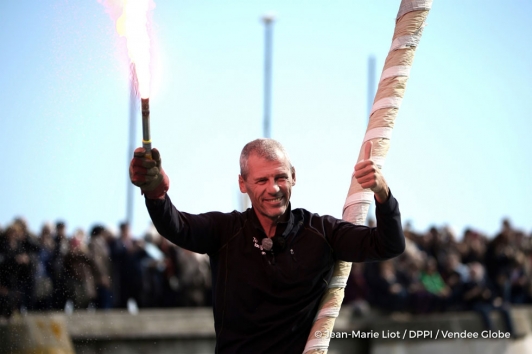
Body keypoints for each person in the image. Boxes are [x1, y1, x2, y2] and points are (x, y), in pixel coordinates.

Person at [129, 138, 405, 353]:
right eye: (261, 180)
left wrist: (383, 194)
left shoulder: (321, 232)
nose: (273, 188)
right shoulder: (225, 231)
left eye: (280, 177)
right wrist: (156, 193)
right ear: (243, 184)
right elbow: (177, 227)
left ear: (293, 176)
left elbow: (388, 245)